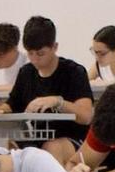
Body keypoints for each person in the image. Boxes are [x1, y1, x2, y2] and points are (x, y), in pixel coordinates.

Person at [5, 16, 96, 159]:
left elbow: (86, 116)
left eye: (41, 53)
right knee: (9, 149)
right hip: (35, 138)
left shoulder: (73, 72)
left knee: (52, 148)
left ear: (55, 47)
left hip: (72, 139)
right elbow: (12, 105)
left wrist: (58, 102)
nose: (35, 59)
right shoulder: (26, 73)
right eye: (30, 53)